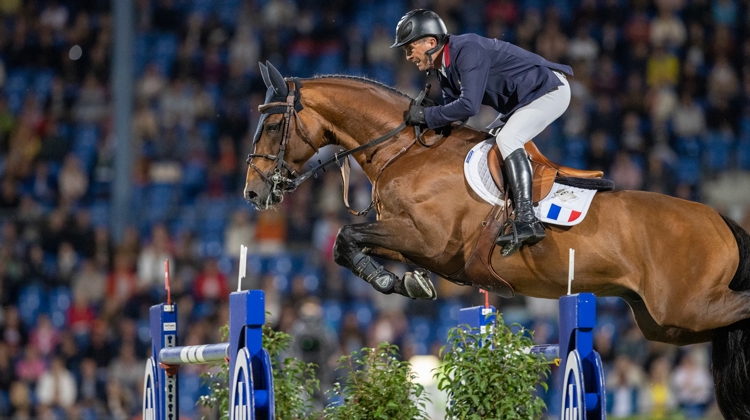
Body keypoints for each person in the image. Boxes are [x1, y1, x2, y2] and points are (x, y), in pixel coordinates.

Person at [392, 9, 573, 256]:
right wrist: (429, 117)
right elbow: (458, 116)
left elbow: (468, 106)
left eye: (409, 48)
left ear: (431, 42)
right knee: (489, 142)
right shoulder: (444, 67)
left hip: (549, 89)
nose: (408, 56)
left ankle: (527, 218)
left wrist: (427, 116)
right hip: (526, 99)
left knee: (509, 139)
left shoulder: (466, 50)